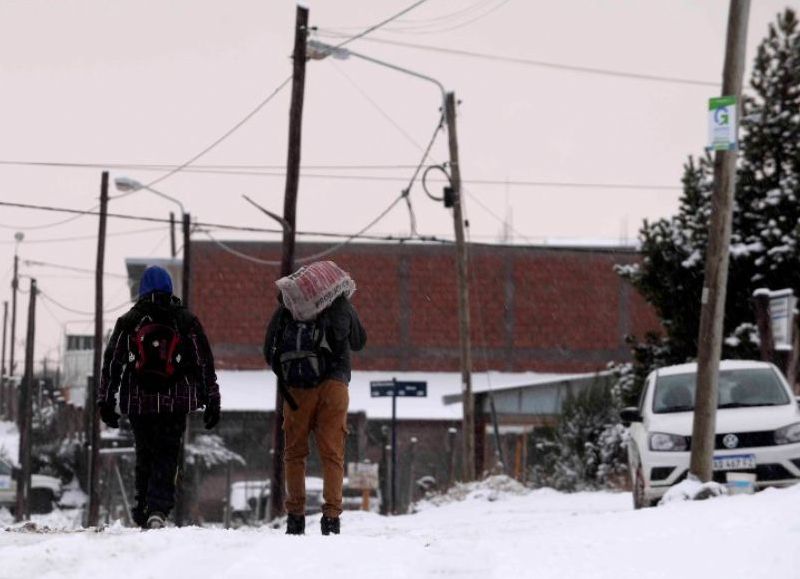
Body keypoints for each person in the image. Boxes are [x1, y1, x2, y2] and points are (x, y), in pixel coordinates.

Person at [98, 265, 221, 529]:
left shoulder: (129, 321)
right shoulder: (185, 320)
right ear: (169, 288)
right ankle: (158, 509)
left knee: (144, 454)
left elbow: (113, 363)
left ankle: (143, 507)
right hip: (174, 402)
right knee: (167, 455)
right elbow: (203, 362)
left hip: (138, 402)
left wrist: (106, 401)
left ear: (142, 289)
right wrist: (212, 399)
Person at [264, 290, 367, 535]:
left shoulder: (290, 306)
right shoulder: (340, 304)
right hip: (335, 386)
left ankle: (295, 517)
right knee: (332, 454)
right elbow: (359, 342)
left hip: (298, 388)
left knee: (295, 453)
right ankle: (331, 518)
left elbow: (269, 352)